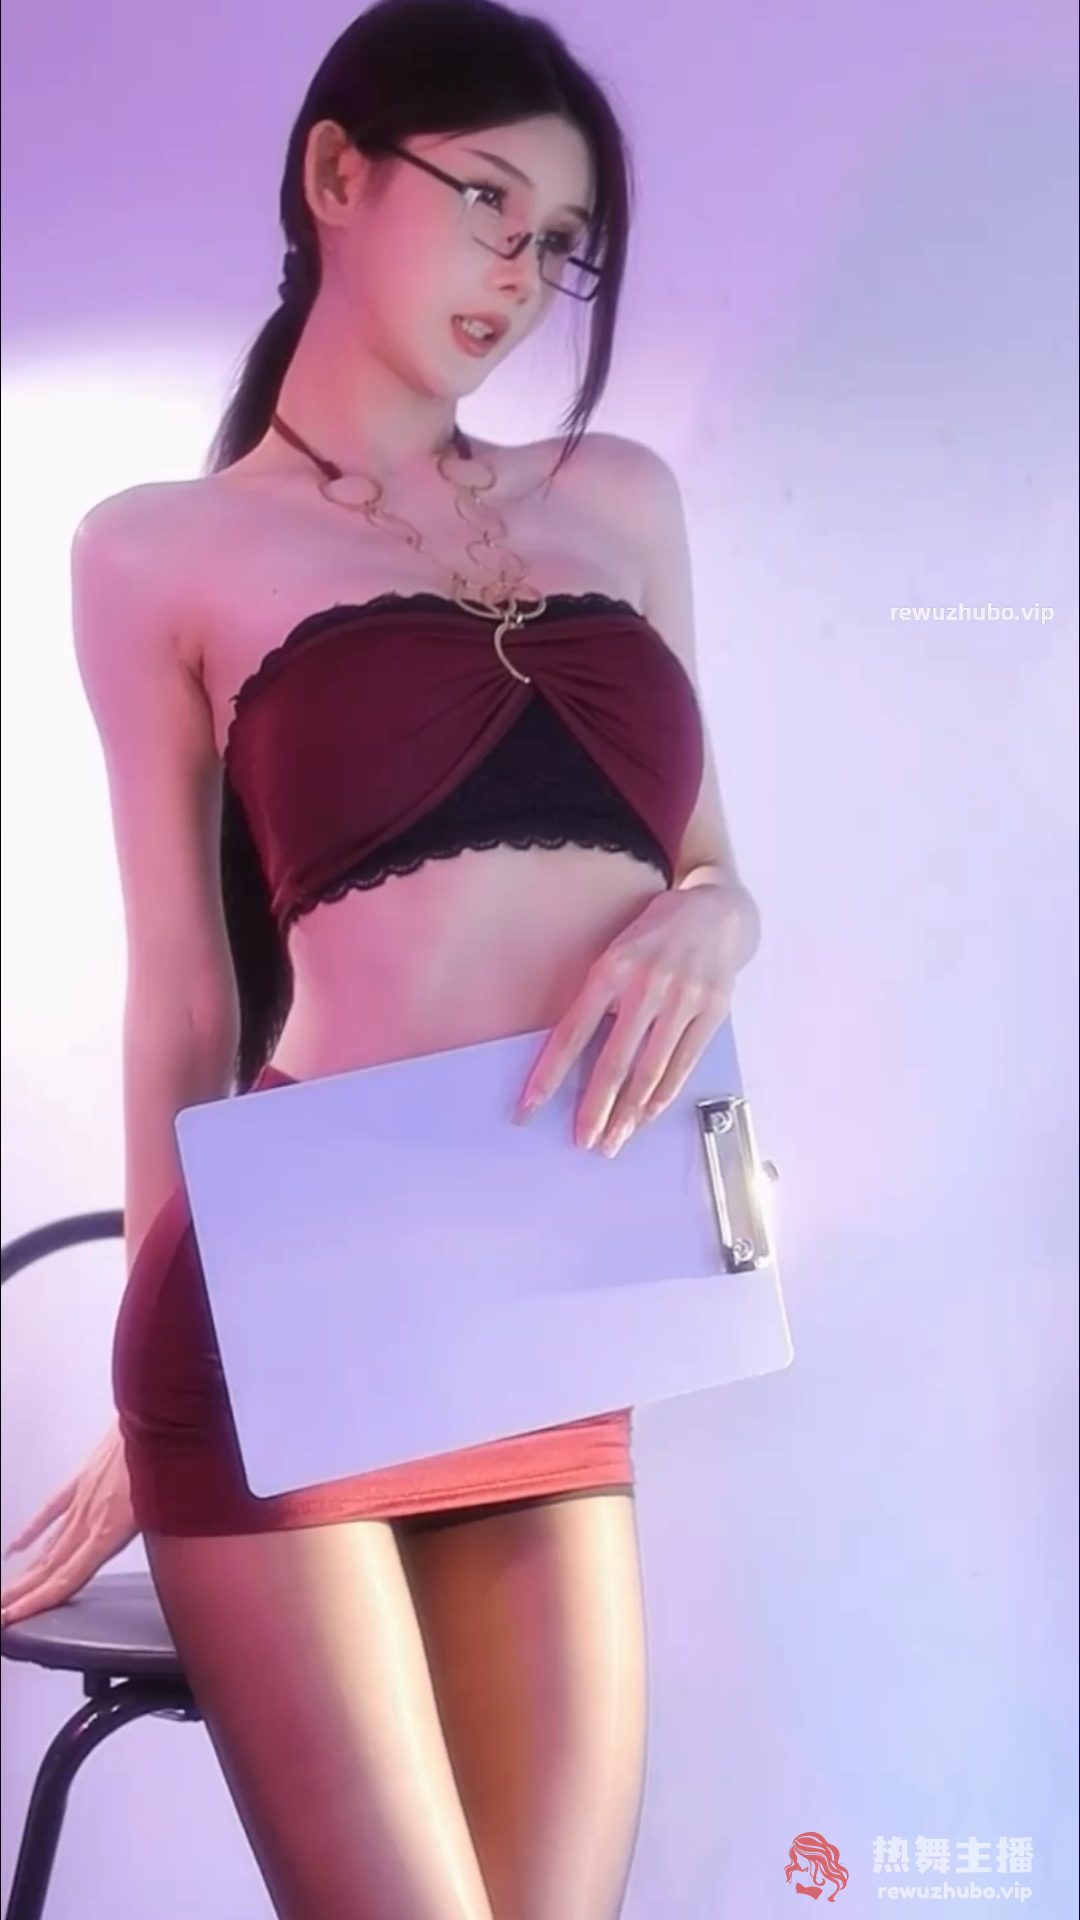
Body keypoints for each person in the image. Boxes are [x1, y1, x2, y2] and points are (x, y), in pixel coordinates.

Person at [0, 1, 760, 1913]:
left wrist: (723, 912)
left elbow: (709, 868)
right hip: (286, 1316)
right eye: (487, 199)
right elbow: (185, 1000)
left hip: (556, 1307)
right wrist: (146, 1379)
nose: (522, 271)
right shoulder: (159, 549)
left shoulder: (620, 499)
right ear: (338, 174)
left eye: (560, 241)